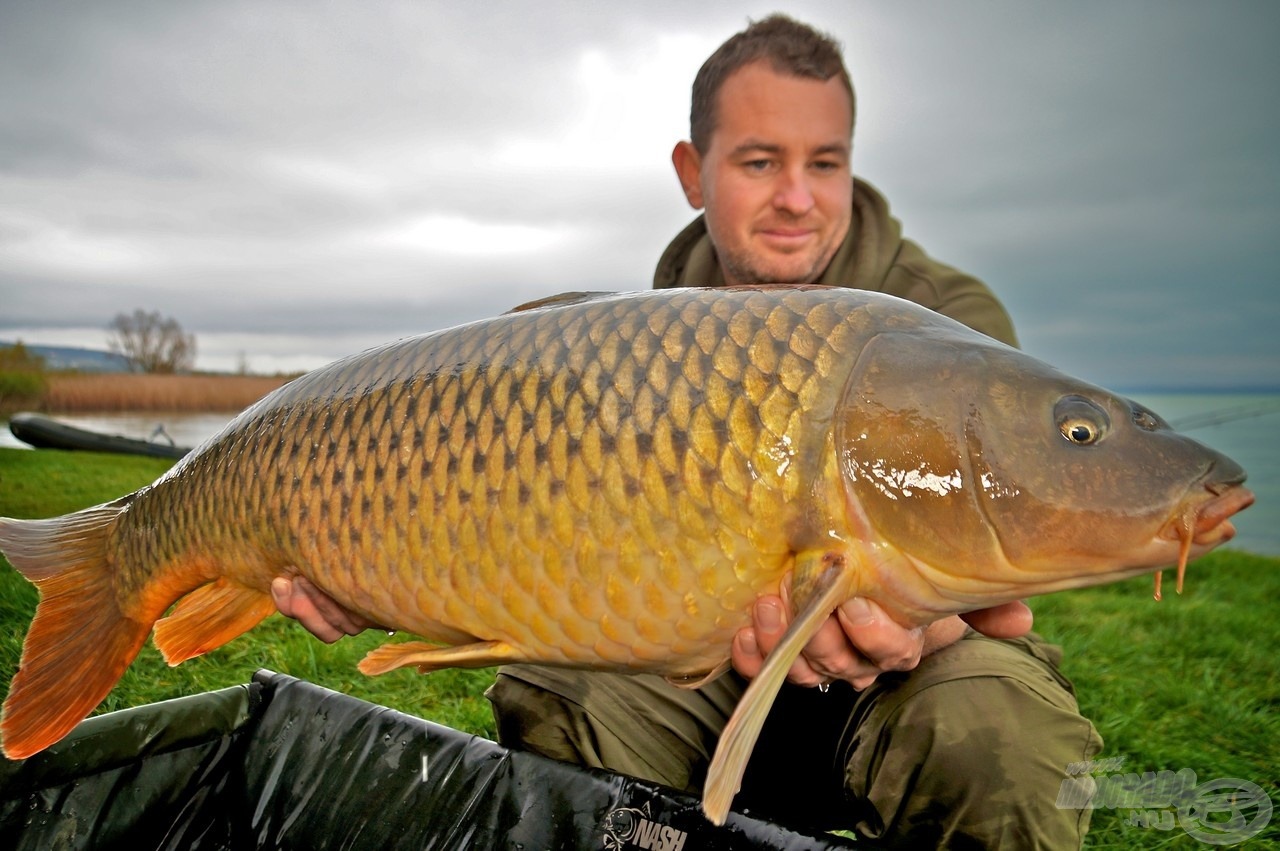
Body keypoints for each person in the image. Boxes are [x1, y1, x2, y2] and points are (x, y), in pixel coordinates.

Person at [273, 15, 1102, 848]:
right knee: (561, 690)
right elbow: (556, 546)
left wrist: (919, 618)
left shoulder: (947, 326)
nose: (797, 198)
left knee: (1000, 735)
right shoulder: (646, 337)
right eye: (759, 161)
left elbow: (988, 564)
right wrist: (368, 568)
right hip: (705, 659)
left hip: (908, 669)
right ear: (692, 171)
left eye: (825, 162)